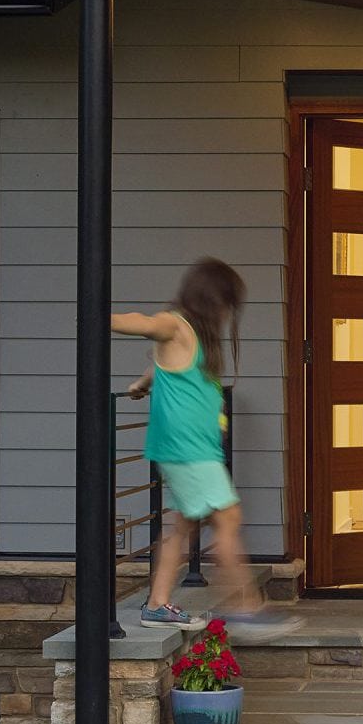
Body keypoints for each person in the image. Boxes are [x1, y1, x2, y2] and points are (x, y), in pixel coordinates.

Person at [115, 257, 249, 627]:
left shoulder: (193, 340)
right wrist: (99, 316)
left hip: (193, 448)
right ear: (211, 299)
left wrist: (142, 384)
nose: (225, 314)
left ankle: (157, 604)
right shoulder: (175, 324)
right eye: (224, 304)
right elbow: (146, 324)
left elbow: (163, 367)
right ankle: (248, 609)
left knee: (183, 525)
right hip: (188, 449)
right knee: (228, 516)